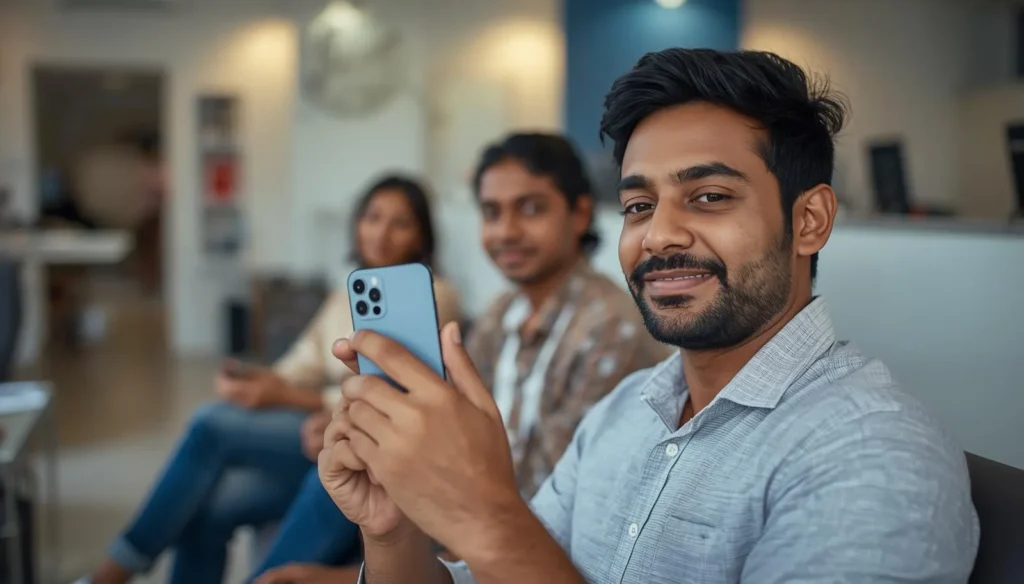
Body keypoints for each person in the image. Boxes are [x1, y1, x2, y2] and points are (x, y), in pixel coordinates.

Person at [318, 48, 980, 584]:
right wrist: (394, 530)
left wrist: (485, 513)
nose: (658, 235)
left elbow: (504, 546)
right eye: (638, 206)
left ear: (809, 220)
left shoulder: (873, 453)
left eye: (709, 196)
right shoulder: (622, 414)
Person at [254, 133, 669, 583]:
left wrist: (351, 575)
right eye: (491, 212)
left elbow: (547, 506)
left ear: (580, 213)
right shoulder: (500, 314)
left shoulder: (610, 328)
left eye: (531, 209)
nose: (506, 231)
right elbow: (453, 428)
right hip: (448, 528)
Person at [76, 174, 461, 584]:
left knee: (210, 423)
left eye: (400, 223)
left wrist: (286, 397)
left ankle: (111, 572)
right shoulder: (346, 294)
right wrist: (258, 379)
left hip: (360, 432)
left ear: (422, 235)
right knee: (210, 507)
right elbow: (303, 362)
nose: (381, 233)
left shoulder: (433, 295)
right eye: (373, 217)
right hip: (328, 425)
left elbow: (396, 393)